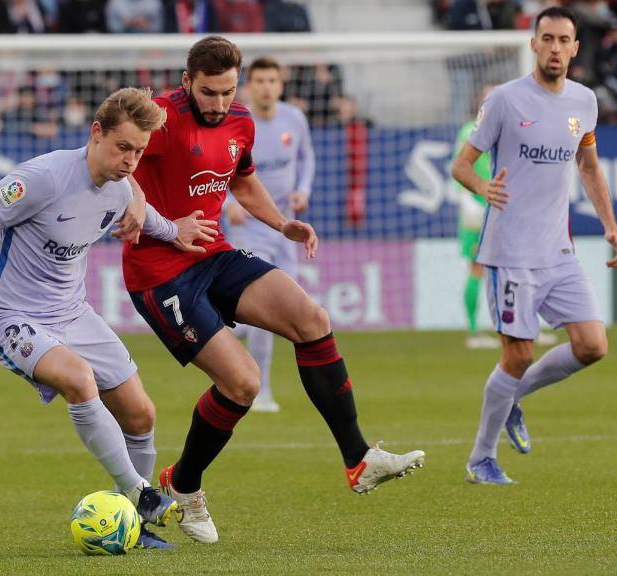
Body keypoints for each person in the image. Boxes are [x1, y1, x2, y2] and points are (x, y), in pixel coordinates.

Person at [0, 87, 219, 549]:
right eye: (123, 148)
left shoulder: (120, 188)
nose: (132, 161)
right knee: (78, 378)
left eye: (139, 150)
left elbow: (144, 213)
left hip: (72, 313)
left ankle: (137, 525)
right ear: (96, 134)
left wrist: (175, 231)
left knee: (140, 414)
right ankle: (139, 493)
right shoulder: (43, 178)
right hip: (9, 315)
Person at [124, 36, 426, 544]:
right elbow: (121, 167)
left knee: (312, 319)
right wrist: (155, 219)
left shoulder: (241, 121)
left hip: (214, 255)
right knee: (243, 384)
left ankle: (359, 460)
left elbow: (241, 181)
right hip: (161, 273)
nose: (220, 104)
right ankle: (185, 484)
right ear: (186, 83)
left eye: (227, 92)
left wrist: (281, 223)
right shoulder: (158, 117)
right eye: (208, 93)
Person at [452, 6, 617, 485]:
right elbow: (462, 165)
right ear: (533, 43)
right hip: (510, 252)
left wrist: (611, 225)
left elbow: (588, 166)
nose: (554, 47)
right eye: (545, 38)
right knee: (519, 354)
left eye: (563, 40)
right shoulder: (507, 100)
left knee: (592, 345)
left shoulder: (584, 102)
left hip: (558, 249)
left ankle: (513, 399)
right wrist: (481, 187)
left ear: (575, 47)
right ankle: (480, 459)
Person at [224, 56, 314, 412]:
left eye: (271, 80)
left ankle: (228, 336)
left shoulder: (295, 118)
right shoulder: (238, 123)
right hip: (249, 226)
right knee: (267, 305)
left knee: (284, 306)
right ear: (249, 86)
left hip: (287, 227)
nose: (265, 87)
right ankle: (261, 391)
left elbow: (307, 157)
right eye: (259, 80)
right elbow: (218, 168)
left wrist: (303, 189)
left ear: (281, 84)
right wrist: (227, 202)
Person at [452, 83, 500, 350]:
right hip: (477, 209)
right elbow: (459, 166)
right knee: (477, 267)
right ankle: (472, 331)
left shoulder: (507, 129)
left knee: (514, 268)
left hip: (502, 207)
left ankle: (519, 328)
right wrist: (467, 200)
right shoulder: (469, 130)